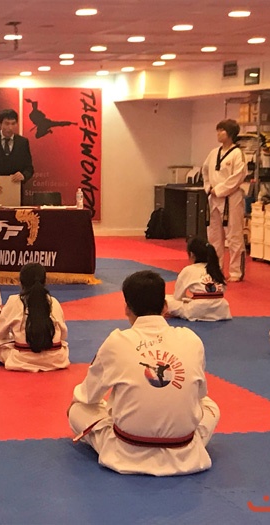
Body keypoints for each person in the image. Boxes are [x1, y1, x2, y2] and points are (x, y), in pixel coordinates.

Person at [68, 270, 220, 476]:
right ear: (165, 307)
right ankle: (187, 445)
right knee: (210, 406)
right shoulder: (191, 339)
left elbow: (88, 396)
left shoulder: (117, 342)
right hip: (184, 453)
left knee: (77, 409)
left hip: (126, 452)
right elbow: (199, 395)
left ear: (127, 308)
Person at [0, 263, 69, 372]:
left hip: (22, 359)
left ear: (21, 282)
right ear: (44, 281)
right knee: (63, 345)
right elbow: (63, 335)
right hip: (56, 359)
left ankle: (3, 356)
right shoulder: (53, 302)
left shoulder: (14, 301)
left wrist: (12, 337)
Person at [202, 119, 247, 282]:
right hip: (214, 198)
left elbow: (238, 176)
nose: (218, 134)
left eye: (222, 130)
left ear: (230, 134)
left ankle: (236, 271)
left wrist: (220, 189)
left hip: (231, 198)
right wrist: (209, 188)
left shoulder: (237, 154)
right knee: (214, 236)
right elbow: (205, 171)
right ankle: (216, 269)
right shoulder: (214, 153)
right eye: (218, 130)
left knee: (234, 236)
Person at [165, 237, 232, 321]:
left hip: (197, 310)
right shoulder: (216, 269)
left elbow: (177, 297)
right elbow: (222, 290)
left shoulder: (188, 270)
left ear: (192, 254)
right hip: (221, 310)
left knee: (166, 300)